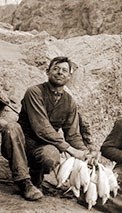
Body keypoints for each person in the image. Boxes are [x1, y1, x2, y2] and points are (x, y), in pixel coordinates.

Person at [1, 56, 92, 201]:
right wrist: (70, 150)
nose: (59, 73)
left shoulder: (69, 102)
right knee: (11, 127)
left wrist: (85, 153)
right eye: (55, 69)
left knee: (51, 155)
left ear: (69, 76)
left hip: (43, 146)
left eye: (64, 70)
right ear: (47, 72)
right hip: (20, 143)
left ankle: (37, 176)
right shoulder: (34, 92)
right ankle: (24, 182)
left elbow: (73, 134)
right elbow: (41, 127)